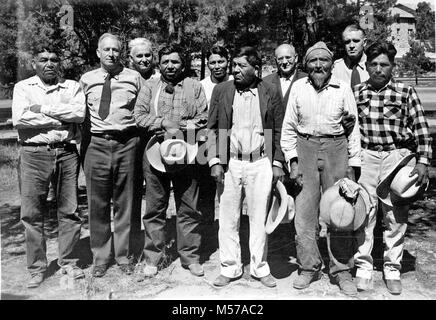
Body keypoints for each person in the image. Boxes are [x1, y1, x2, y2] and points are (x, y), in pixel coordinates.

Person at [280, 41, 361, 296]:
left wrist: (353, 165)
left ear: (331, 64)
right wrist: (292, 160)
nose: (318, 66)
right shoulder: (298, 88)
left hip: (336, 148)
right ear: (306, 64)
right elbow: (289, 128)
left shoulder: (343, 88)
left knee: (340, 212)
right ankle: (309, 267)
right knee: (304, 213)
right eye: (313, 61)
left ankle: (341, 270)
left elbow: (354, 130)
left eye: (323, 61)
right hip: (305, 148)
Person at [353, 42, 432, 295]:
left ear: (392, 66)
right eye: (374, 64)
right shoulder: (356, 92)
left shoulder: (405, 92)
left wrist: (422, 162)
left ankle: (392, 268)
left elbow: (421, 130)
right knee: (364, 213)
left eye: (384, 64)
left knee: (395, 216)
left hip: (396, 159)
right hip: (365, 157)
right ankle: (364, 267)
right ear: (366, 66)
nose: (378, 69)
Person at [208, 46, 285, 288]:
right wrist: (214, 161)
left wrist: (277, 162)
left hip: (260, 162)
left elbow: (279, 129)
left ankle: (260, 268)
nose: (236, 69)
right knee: (228, 218)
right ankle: (229, 267)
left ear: (256, 68)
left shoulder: (270, 91)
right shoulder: (222, 90)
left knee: (258, 218)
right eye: (235, 65)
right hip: (230, 162)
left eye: (242, 66)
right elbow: (212, 128)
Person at [12, 45, 86, 288]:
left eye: (54, 59)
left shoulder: (73, 86)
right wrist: (59, 117)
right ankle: (36, 268)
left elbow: (79, 114)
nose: (49, 63)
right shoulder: (23, 87)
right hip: (34, 154)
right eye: (43, 59)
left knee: (69, 210)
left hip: (66, 152)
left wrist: (42, 110)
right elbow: (20, 119)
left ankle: (69, 262)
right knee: (32, 213)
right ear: (34, 63)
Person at [134, 44, 208, 278]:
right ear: (159, 64)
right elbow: (139, 116)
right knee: (155, 207)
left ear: (182, 65)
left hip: (188, 151)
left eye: (174, 61)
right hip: (156, 152)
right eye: (165, 61)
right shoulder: (149, 86)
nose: (170, 65)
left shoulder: (194, 86)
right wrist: (162, 123)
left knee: (188, 206)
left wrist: (181, 125)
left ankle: (190, 257)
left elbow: (203, 118)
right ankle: (153, 257)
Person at [80, 33, 142, 277]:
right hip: (96, 144)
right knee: (97, 204)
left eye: (115, 50)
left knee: (125, 203)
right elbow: (80, 116)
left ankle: (124, 255)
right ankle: (101, 257)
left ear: (121, 52)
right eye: (106, 49)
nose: (111, 54)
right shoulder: (86, 79)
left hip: (126, 143)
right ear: (98, 52)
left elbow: (143, 110)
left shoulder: (134, 78)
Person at [263, 43, 306, 108]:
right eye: (280, 58)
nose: (284, 62)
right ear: (275, 60)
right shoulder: (265, 82)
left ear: (296, 58)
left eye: (288, 57)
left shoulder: (306, 80)